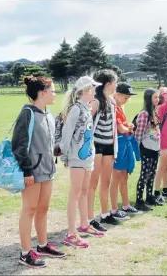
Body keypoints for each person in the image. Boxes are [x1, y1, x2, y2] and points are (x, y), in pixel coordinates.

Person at [12, 76, 65, 268]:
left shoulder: (49, 114)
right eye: (52, 91)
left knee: (43, 209)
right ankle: (25, 253)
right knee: (30, 210)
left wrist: (59, 149)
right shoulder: (27, 113)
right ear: (42, 93)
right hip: (32, 171)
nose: (55, 94)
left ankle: (42, 245)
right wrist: (27, 171)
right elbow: (19, 145)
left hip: (48, 170)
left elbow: (49, 143)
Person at [60, 76, 104, 249]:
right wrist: (65, 154)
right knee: (75, 193)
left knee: (84, 191)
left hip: (87, 157)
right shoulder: (76, 109)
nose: (94, 91)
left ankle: (84, 224)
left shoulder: (86, 108)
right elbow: (67, 132)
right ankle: (71, 233)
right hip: (77, 158)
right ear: (86, 90)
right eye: (93, 88)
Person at [88, 69, 119, 230]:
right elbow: (87, 125)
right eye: (115, 82)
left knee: (106, 181)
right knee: (92, 183)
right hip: (96, 146)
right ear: (108, 84)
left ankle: (105, 214)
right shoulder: (96, 102)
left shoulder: (112, 102)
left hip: (109, 146)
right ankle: (89, 218)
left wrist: (115, 148)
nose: (116, 85)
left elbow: (113, 127)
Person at [111, 83, 141, 217]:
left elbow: (124, 126)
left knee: (124, 176)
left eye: (128, 97)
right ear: (117, 94)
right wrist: (128, 128)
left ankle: (125, 205)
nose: (127, 100)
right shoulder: (113, 108)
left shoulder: (120, 108)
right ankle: (113, 209)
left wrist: (128, 127)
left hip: (125, 144)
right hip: (118, 146)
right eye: (125, 97)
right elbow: (121, 129)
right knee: (116, 178)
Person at [134, 88, 161, 211]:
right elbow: (138, 134)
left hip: (155, 147)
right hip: (146, 148)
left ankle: (149, 196)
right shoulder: (144, 114)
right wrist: (138, 150)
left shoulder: (155, 112)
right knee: (144, 174)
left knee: (152, 173)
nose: (157, 99)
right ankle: (139, 200)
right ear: (148, 98)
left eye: (158, 97)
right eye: (155, 97)